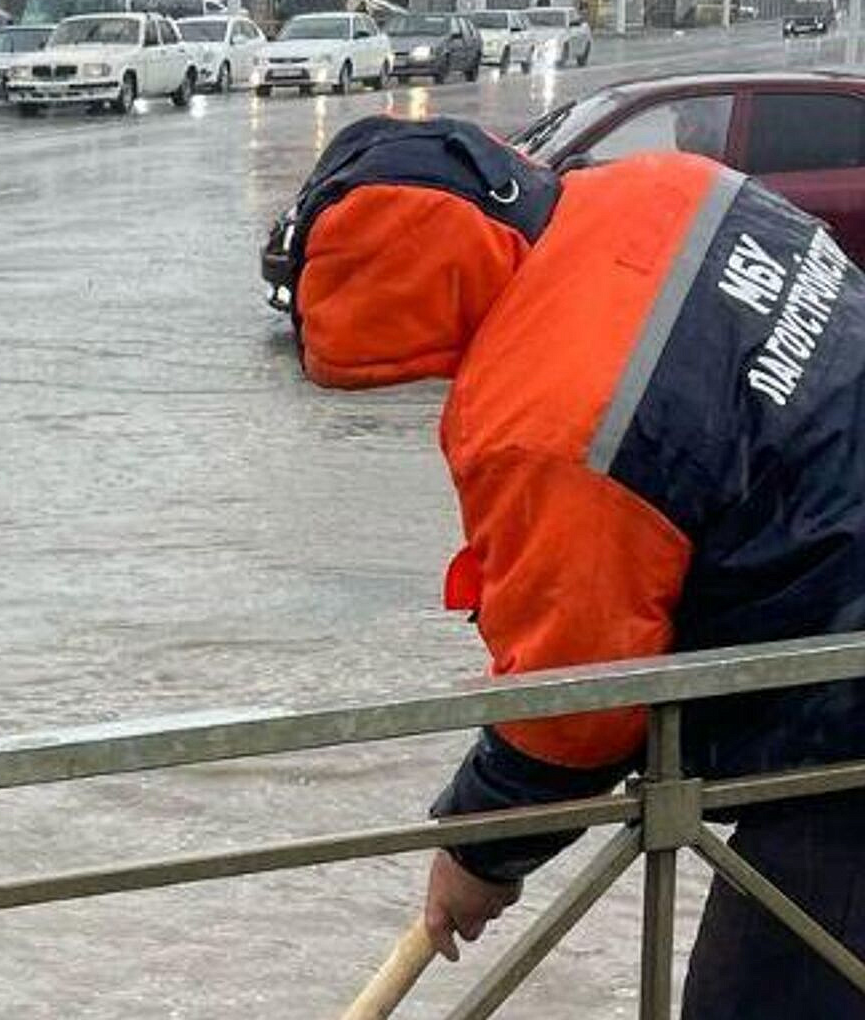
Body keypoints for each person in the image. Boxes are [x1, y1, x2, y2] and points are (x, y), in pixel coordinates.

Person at [262, 115, 865, 1017]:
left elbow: (577, 701)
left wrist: (477, 851)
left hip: (844, 729)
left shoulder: (548, 417)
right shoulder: (667, 184)